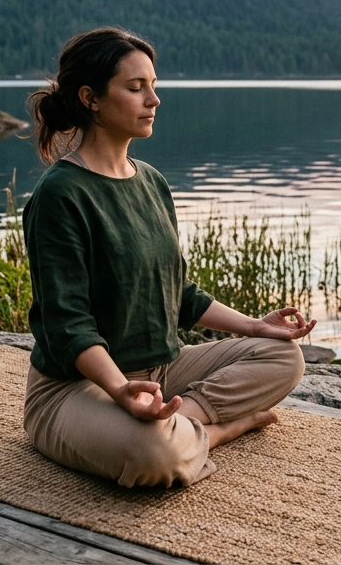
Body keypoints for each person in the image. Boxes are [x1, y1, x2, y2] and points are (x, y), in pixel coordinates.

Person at [21, 27, 313, 488]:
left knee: (283, 355)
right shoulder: (60, 195)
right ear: (90, 98)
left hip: (162, 370)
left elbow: (178, 293)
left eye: (154, 86)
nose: (153, 99)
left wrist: (257, 326)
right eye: (136, 88)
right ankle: (216, 431)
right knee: (153, 456)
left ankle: (176, 423)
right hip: (76, 388)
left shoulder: (151, 181)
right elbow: (66, 326)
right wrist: (119, 389)